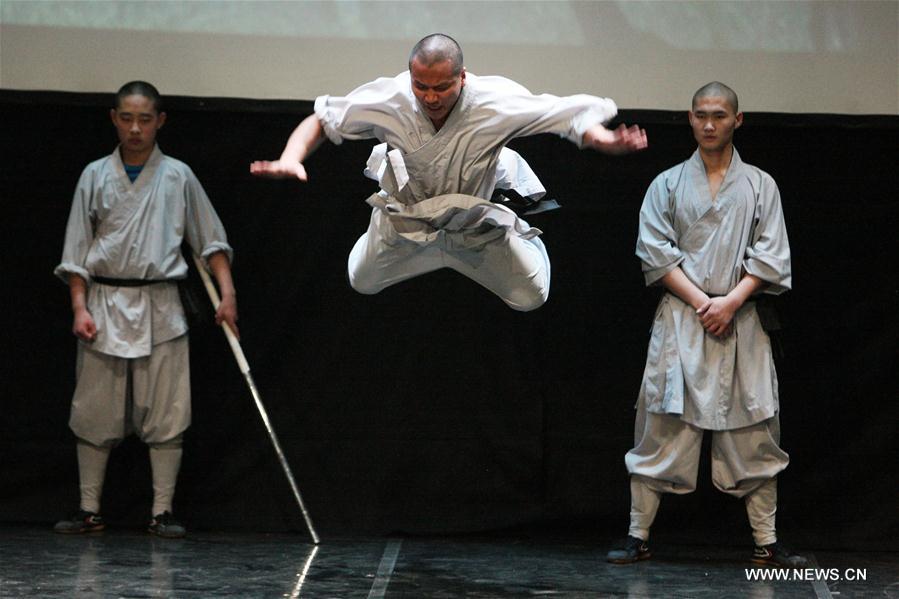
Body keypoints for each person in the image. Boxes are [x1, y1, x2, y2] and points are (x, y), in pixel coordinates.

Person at [251, 33, 647, 310]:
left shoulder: (495, 100)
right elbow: (323, 119)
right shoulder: (391, 97)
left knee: (533, 296)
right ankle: (427, 244)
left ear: (462, 76)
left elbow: (564, 116)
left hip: (473, 223)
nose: (430, 97)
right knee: (362, 279)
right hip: (409, 218)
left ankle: (498, 227)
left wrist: (603, 140)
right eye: (421, 86)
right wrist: (292, 156)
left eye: (441, 87)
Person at [606, 82, 806, 567]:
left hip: (741, 320)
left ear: (738, 120)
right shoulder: (667, 184)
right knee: (662, 425)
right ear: (690, 119)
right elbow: (654, 252)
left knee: (753, 430)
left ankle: (767, 540)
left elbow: (771, 254)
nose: (710, 124)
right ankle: (638, 535)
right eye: (701, 115)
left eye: (719, 115)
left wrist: (731, 302)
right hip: (684, 318)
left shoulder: (761, 185)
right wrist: (704, 303)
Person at [53, 81, 238, 538]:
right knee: (95, 410)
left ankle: (162, 511)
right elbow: (76, 250)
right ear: (114, 119)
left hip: (160, 305)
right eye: (127, 118)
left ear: (160, 121)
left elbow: (209, 239)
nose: (136, 128)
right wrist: (79, 307)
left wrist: (228, 294)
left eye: (145, 119)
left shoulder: (177, 176)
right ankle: (88, 509)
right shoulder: (94, 175)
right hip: (105, 303)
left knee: (166, 410)